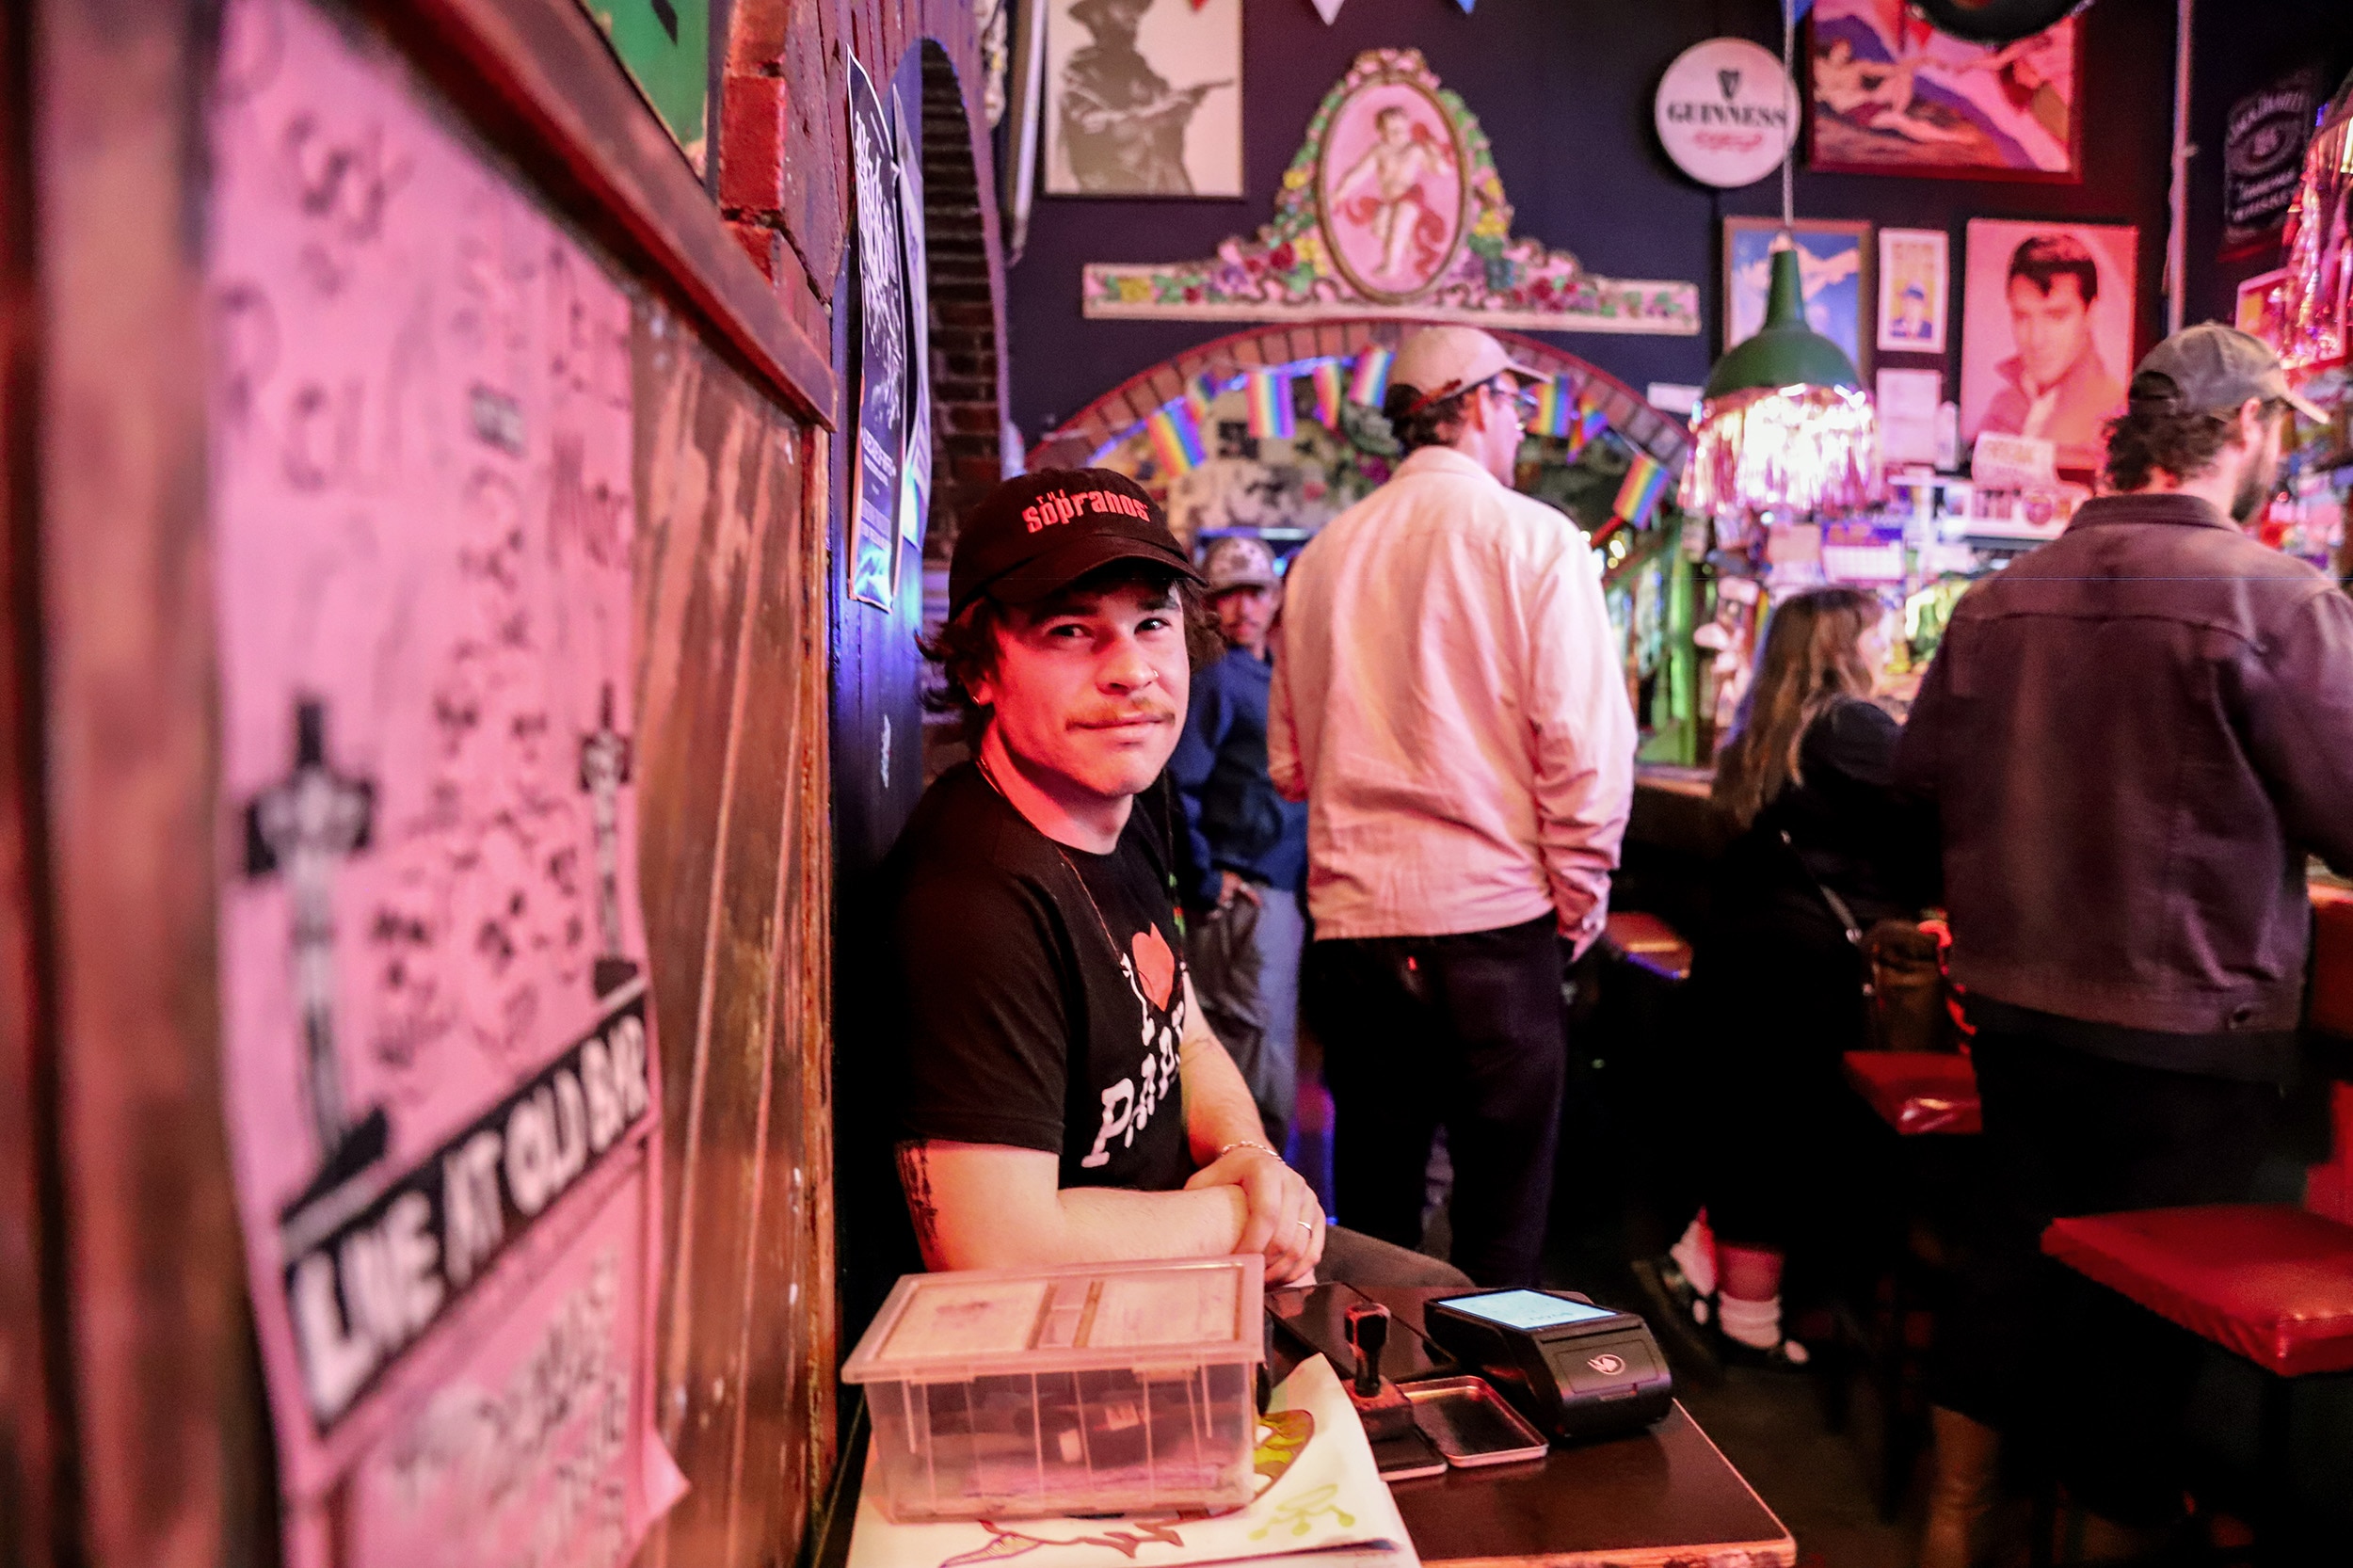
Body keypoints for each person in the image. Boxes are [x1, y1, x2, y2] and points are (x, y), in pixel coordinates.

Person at [1897, 325, 2353, 1564]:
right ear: (2249, 430)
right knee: (2137, 1338)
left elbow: (1917, 780)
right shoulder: (2280, 600)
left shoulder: (1995, 601)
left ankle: (1952, 1531)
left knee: (2006, 1272)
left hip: (2015, 1015)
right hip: (2190, 1036)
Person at [879, 467, 1465, 1289]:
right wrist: (1244, 1215)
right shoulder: (970, 902)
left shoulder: (1124, 799)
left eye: (1151, 624)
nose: (1132, 672)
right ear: (981, 667)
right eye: (1070, 632)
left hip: (1191, 1271)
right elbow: (991, 1246)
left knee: (1463, 1307)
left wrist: (1247, 1155)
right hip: (1077, 1341)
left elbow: (1180, 1025)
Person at [1270, 326, 1636, 1287]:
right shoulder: (1536, 540)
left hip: (1355, 931)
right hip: (1496, 924)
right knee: (1502, 1221)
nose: (1517, 423)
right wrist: (1579, 900)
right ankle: (1498, 1409)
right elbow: (1585, 756)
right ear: (1473, 403)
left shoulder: (1318, 560)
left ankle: (1375, 1413)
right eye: (1514, 404)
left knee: (1377, 1222)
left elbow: (1289, 766)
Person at [1661, 588, 1921, 1366]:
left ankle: (1722, 1279)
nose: (1889, 652)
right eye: (1881, 636)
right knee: (1784, 1140)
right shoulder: (1852, 723)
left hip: (1741, 957)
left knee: (1753, 1131)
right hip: (1803, 966)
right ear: (1845, 645)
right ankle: (1750, 1323)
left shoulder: (1766, 730)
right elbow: (1937, 809)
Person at [1172, 535, 1309, 1152]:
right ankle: (1255, 1204)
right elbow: (1177, 781)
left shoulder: (1271, 672)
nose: (1243, 607)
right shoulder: (1217, 678)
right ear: (1209, 603)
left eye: (1255, 591)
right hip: (1244, 897)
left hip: (1276, 892)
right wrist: (1204, 879)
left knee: (1267, 1051)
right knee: (1252, 1057)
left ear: (1276, 597)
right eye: (1227, 594)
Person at [1057, 0, 1229, 196]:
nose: (1134, 14)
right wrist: (1157, 117)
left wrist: (1183, 101)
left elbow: (1169, 151)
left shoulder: (1146, 74)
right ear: (1097, 15)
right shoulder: (1081, 72)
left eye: (1137, 8)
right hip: (1107, 204)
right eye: (1124, 5)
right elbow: (1093, 126)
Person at [1978, 234, 2125, 452]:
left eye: (2056, 316)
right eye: (2022, 316)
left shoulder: (2113, 413)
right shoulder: (2002, 405)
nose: (2036, 340)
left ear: (2090, 314)